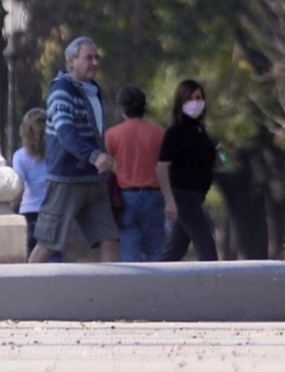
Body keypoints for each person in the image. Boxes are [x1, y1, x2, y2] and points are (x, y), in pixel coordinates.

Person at [27, 36, 120, 263]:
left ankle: (115, 284)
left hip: (93, 179)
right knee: (48, 243)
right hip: (66, 180)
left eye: (96, 58)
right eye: (88, 58)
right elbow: (65, 133)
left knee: (109, 238)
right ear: (71, 61)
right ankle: (24, 281)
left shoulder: (92, 90)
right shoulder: (61, 91)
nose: (95, 62)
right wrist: (94, 155)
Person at [156, 79, 219, 261]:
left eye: (198, 98)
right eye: (189, 99)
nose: (195, 102)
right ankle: (213, 276)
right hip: (183, 195)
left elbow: (219, 163)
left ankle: (158, 276)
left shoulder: (201, 131)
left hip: (197, 195)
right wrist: (169, 200)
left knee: (176, 249)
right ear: (180, 102)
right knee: (205, 242)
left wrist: (220, 156)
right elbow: (161, 167)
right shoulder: (175, 131)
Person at [105, 85, 166, 261]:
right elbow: (165, 167)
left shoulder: (112, 134)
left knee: (129, 250)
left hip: (126, 198)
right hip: (154, 195)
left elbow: (106, 166)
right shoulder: (159, 133)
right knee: (155, 249)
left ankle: (134, 279)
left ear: (122, 108)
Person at [12, 108, 62, 261]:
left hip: (28, 212)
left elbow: (18, 185)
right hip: (53, 211)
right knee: (54, 257)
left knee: (31, 258)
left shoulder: (20, 156)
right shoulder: (57, 152)